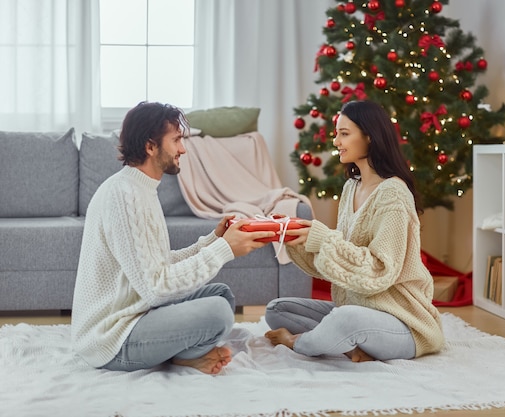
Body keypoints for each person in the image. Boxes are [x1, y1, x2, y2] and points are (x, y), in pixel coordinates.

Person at [71, 101, 276, 375]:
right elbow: (155, 287)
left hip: (138, 311)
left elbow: (157, 264)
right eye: (177, 140)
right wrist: (225, 250)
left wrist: (214, 240)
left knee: (220, 294)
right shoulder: (125, 195)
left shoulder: (139, 188)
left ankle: (185, 355)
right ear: (150, 146)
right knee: (217, 313)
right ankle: (186, 355)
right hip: (113, 338)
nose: (183, 148)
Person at [264, 100, 445, 362]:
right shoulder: (351, 187)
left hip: (402, 323)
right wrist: (295, 238)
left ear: (370, 137)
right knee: (277, 309)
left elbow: (380, 271)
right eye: (336, 133)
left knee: (344, 319)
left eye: (344, 134)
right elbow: (341, 265)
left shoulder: (393, 194)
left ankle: (299, 342)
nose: (336, 141)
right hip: (356, 309)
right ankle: (351, 346)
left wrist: (323, 238)